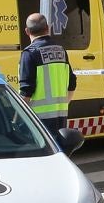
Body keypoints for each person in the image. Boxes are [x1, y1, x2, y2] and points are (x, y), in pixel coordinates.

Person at [18, 11, 74, 141]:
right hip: (60, 118)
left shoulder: (30, 53)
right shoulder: (60, 50)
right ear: (47, 28)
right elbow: (72, 84)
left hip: (37, 121)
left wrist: (17, 115)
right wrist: (63, 104)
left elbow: (27, 90)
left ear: (27, 31)